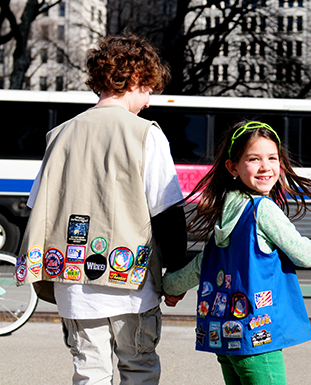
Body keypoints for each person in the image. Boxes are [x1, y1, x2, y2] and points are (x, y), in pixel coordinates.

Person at [15, 34, 188, 384]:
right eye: (148, 90)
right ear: (136, 79)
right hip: (131, 281)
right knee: (137, 366)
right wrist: (176, 273)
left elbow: (39, 206)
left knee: (89, 371)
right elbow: (167, 211)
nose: (149, 101)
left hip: (72, 280)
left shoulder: (60, 134)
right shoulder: (145, 134)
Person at [162, 120, 311, 385]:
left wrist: (172, 284)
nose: (265, 167)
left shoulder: (227, 209)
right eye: (253, 159)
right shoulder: (263, 209)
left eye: (272, 158)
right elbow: (303, 253)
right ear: (232, 167)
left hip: (225, 337)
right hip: (258, 337)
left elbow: (204, 264)